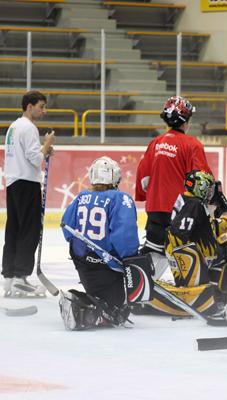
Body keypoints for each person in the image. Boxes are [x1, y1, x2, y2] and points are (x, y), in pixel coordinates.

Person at [131, 169, 227, 325]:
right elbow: (179, 233)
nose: (210, 192)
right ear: (200, 187)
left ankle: (217, 297)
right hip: (188, 257)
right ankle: (212, 301)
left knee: (226, 251)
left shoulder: (189, 201)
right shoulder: (194, 204)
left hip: (192, 256)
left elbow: (208, 229)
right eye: (208, 188)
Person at [59, 157, 150, 331]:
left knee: (101, 297)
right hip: (107, 265)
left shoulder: (81, 196)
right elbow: (124, 235)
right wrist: (132, 259)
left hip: (83, 262)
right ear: (115, 178)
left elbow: (67, 229)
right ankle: (88, 312)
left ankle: (86, 304)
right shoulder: (120, 198)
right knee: (117, 311)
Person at [135, 96, 212, 260]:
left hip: (155, 211)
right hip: (181, 212)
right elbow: (202, 181)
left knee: (154, 256)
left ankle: (141, 283)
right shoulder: (192, 145)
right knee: (190, 255)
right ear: (186, 121)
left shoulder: (155, 143)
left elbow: (143, 182)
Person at [2, 90, 55, 297]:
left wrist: (43, 149)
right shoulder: (29, 128)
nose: (44, 111)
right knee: (30, 229)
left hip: (14, 182)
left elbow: (28, 155)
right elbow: (34, 158)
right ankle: (20, 276)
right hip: (26, 182)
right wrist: (47, 145)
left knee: (14, 228)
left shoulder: (14, 127)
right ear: (29, 106)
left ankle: (10, 275)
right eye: (41, 106)